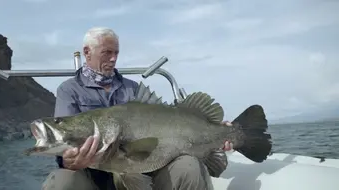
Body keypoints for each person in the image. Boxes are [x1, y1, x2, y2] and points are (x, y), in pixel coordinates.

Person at [41, 27, 233, 190]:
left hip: (145, 174)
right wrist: (68, 162)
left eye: (116, 52)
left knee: (189, 167)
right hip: (93, 179)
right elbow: (65, 143)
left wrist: (217, 130)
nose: (114, 58)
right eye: (107, 52)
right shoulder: (69, 90)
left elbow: (170, 123)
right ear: (87, 52)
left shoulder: (133, 88)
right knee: (60, 181)